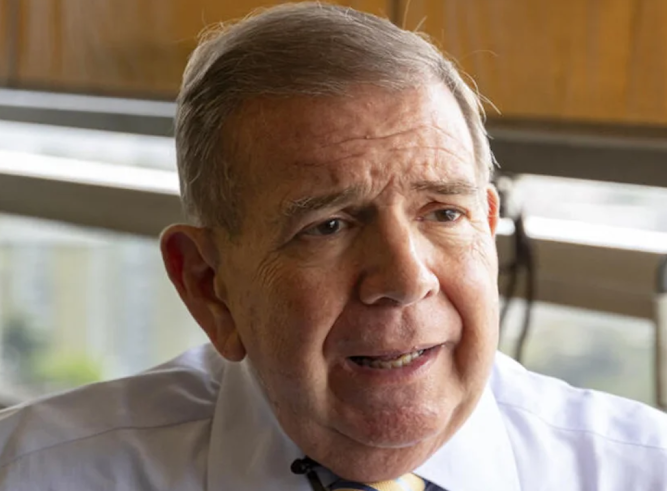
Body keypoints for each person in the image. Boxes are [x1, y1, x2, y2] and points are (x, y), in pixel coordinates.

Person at [0, 3, 666, 490]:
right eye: (328, 225)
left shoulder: (641, 470)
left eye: (443, 213)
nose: (405, 278)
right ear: (209, 286)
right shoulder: (37, 473)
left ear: (487, 230)